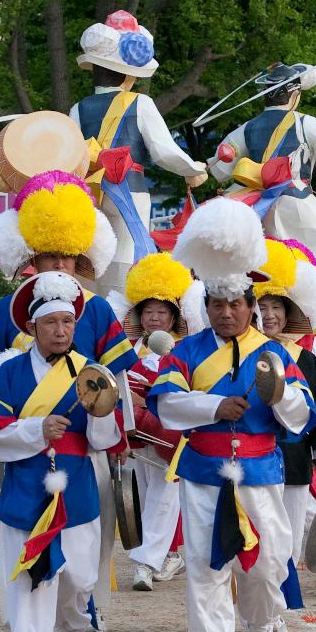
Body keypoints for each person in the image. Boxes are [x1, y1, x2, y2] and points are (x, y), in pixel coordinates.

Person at [0, 171, 136, 632]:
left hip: (87, 437)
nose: (59, 264)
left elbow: (120, 377)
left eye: (67, 257)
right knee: (18, 534)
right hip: (24, 440)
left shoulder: (96, 310)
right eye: (49, 255)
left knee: (89, 538)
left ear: (83, 258)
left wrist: (119, 430)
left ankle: (84, 609)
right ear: (32, 256)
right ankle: (22, 624)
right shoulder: (8, 305)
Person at [150, 198, 316, 632]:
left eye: (236, 304)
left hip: (262, 470)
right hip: (203, 470)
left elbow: (302, 415)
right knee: (205, 562)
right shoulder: (185, 351)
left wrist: (278, 392)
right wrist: (212, 408)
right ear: (207, 307)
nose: (226, 312)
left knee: (266, 564)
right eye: (218, 305)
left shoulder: (276, 354)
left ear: (252, 307)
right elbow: (165, 406)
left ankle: (260, 630)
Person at [0, 271, 126, 632]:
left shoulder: (92, 373)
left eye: (67, 323)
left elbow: (108, 437)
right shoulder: (7, 373)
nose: (61, 331)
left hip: (76, 480)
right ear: (31, 328)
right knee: (32, 571)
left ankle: (72, 624)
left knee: (80, 576)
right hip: (27, 480)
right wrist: (35, 430)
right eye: (51, 323)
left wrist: (99, 418)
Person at [71, 9, 209, 291]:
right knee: (126, 257)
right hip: (128, 191)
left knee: (87, 258)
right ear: (128, 75)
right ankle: (122, 325)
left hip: (87, 193)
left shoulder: (77, 108)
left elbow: (69, 156)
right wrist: (193, 169)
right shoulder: (140, 104)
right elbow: (164, 152)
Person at [253, 236, 316, 629]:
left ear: (289, 311)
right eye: (261, 306)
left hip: (294, 460)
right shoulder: (241, 355)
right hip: (253, 459)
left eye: (276, 306)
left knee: (285, 538)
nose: (268, 314)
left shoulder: (306, 358)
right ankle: (264, 609)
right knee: (259, 537)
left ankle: (278, 608)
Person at [107, 252, 207, 590]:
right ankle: (161, 556)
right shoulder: (127, 348)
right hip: (135, 434)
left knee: (164, 499)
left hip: (171, 435)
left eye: (161, 312)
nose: (154, 318)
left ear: (174, 316)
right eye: (148, 312)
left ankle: (144, 563)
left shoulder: (186, 348)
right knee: (144, 497)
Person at [210, 62, 316, 262]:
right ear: (294, 95)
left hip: (254, 207)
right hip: (296, 201)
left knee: (255, 264)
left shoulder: (248, 127)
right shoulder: (307, 123)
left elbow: (220, 168)